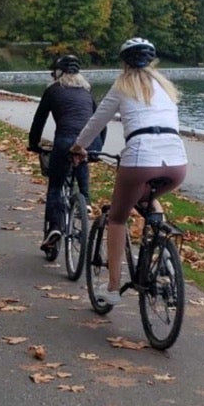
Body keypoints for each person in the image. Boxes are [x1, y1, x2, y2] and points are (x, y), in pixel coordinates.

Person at [70, 37, 187, 306]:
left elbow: (96, 121)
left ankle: (112, 288)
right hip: (177, 163)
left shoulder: (121, 87)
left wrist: (78, 147)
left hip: (140, 159)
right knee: (148, 200)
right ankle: (165, 260)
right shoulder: (165, 87)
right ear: (153, 61)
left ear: (123, 63)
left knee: (117, 218)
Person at [27, 52, 103, 259]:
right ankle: (85, 202)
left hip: (64, 141)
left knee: (55, 184)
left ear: (57, 73)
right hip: (90, 142)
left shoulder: (53, 91)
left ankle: (55, 227)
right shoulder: (87, 92)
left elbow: (39, 121)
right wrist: (97, 148)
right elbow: (99, 121)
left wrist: (33, 144)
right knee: (83, 158)